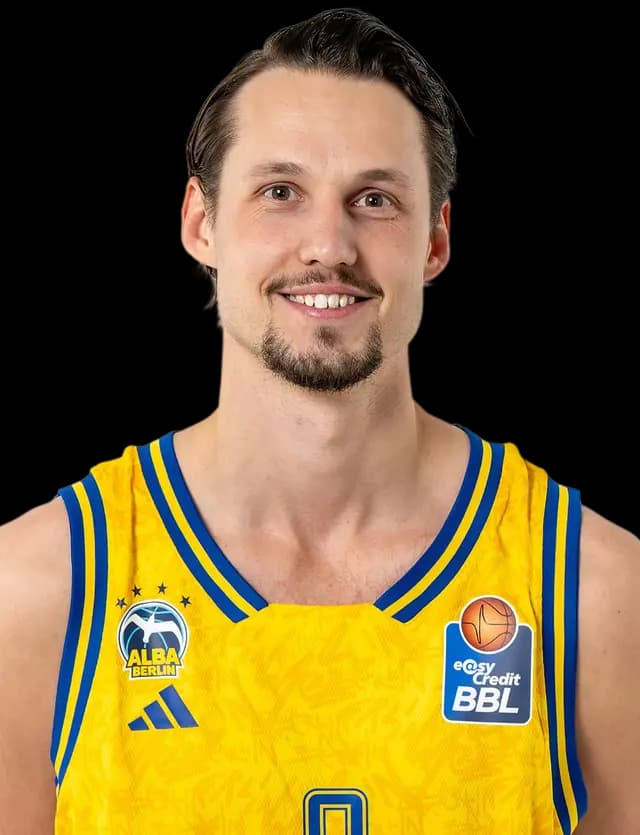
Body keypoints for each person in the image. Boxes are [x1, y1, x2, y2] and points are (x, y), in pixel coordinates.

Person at [1, 6, 638, 834]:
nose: (328, 245)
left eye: (375, 199)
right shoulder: (42, 585)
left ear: (436, 241)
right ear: (201, 223)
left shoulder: (592, 590)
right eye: (280, 192)